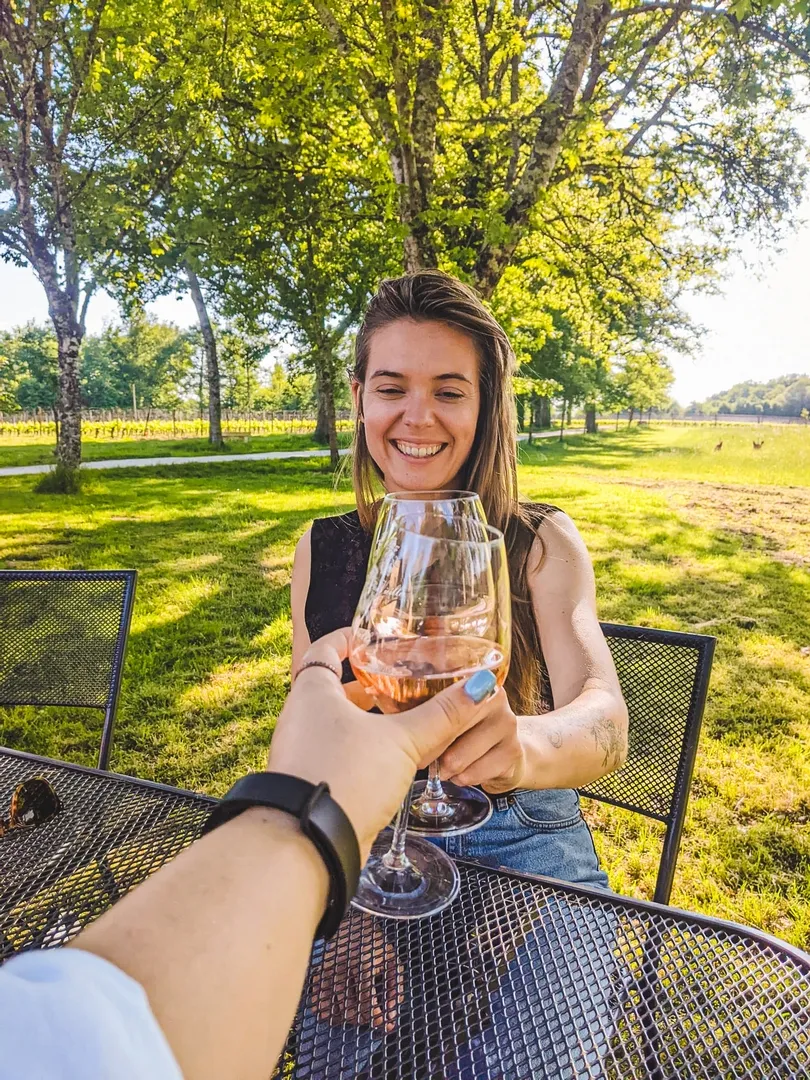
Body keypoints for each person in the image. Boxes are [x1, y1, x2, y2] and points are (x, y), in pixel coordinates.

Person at [291, 270, 629, 1078]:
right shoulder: (326, 547)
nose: (417, 416)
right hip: (373, 844)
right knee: (338, 1059)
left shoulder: (541, 540)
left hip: (531, 843)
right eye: (391, 387)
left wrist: (524, 751)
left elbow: (607, 719)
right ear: (360, 399)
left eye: (449, 389)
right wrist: (343, 899)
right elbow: (314, 746)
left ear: (485, 408)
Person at [0, 629, 500, 1080]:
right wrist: (316, 816)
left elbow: (78, 1037)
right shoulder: (322, 545)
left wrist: (303, 806)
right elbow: (91, 1042)